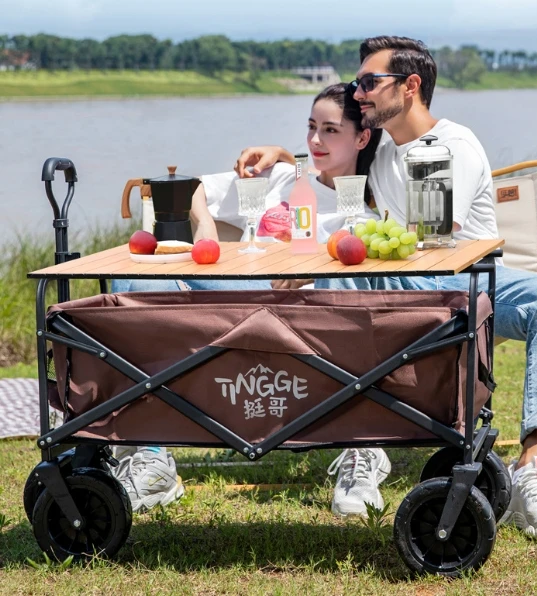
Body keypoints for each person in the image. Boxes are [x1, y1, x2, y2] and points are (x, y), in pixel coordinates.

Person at [234, 36, 537, 539]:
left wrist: (335, 251)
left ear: (410, 86)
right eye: (357, 84)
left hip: (471, 283)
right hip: (401, 281)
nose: (359, 95)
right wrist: (286, 157)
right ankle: (361, 446)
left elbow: (428, 237)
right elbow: (334, 145)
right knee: (344, 268)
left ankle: (532, 470)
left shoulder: (450, 146)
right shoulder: (381, 146)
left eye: (369, 84)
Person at [110, 82, 381, 511]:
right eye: (311, 127)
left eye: (330, 130)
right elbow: (197, 187)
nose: (314, 140)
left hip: (298, 325)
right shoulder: (279, 179)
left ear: (362, 138)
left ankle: (362, 446)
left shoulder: (361, 214)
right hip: (236, 298)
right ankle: (151, 458)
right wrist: (208, 236)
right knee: (135, 281)